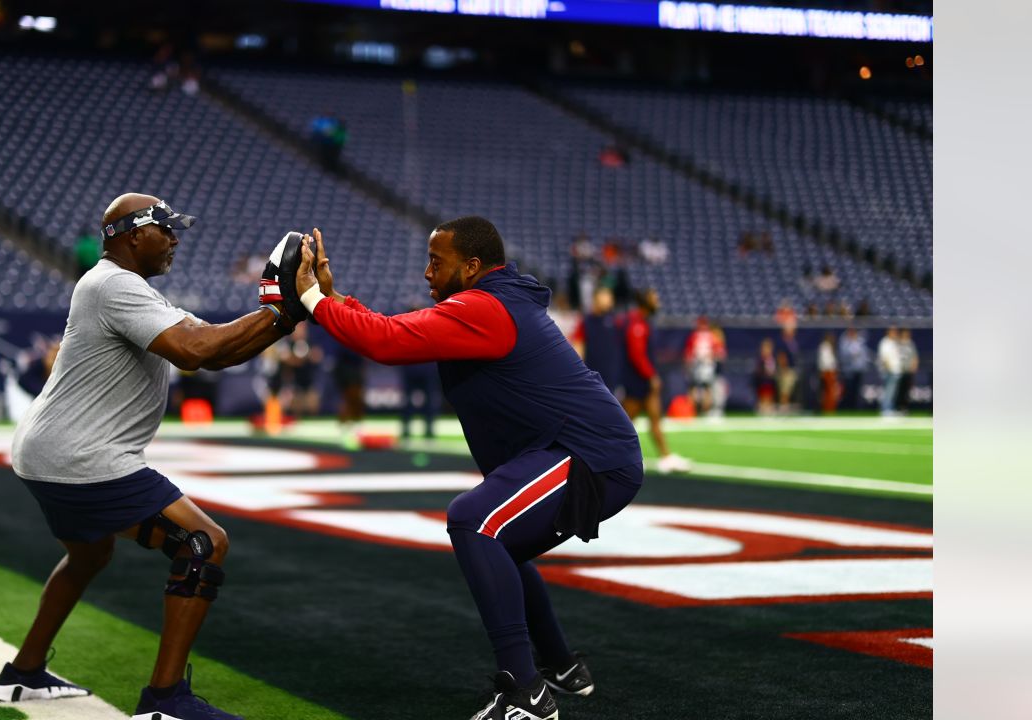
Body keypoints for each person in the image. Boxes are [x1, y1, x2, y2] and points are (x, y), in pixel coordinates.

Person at [292, 218, 643, 720]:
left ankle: (526, 694)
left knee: (476, 520)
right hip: (575, 449)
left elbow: (388, 341)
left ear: (472, 267)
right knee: (504, 545)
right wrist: (330, 296)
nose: (427, 272)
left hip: (588, 454)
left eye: (438, 261)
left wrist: (312, 299)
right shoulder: (488, 300)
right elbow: (395, 328)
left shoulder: (484, 306)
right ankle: (561, 668)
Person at [0, 193, 299, 720]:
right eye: (168, 230)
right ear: (133, 234)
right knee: (205, 542)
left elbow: (215, 349)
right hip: (81, 455)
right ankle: (164, 701)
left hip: (47, 451)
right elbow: (197, 351)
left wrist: (285, 317)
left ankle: (23, 673)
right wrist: (282, 307)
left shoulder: (125, 290)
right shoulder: (114, 285)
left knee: (90, 554)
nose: (176, 239)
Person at [621, 288, 691, 473]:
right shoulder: (636, 323)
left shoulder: (643, 322)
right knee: (624, 422)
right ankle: (605, 454)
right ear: (645, 300)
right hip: (637, 380)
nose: (657, 301)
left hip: (643, 379)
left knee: (654, 419)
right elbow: (637, 355)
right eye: (654, 298)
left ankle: (666, 456)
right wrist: (651, 375)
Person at [683, 316, 726, 417]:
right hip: (707, 364)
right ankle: (705, 411)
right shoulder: (711, 336)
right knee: (706, 389)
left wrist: (688, 364)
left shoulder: (694, 335)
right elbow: (720, 352)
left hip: (696, 363)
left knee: (693, 388)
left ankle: (693, 411)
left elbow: (688, 353)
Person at [838, 327, 870, 409]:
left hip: (859, 370)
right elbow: (843, 356)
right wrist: (852, 354)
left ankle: (854, 406)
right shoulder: (844, 341)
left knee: (856, 390)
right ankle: (848, 406)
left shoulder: (859, 341)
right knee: (849, 390)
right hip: (849, 370)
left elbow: (864, 354)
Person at [877, 327, 903, 417]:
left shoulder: (894, 342)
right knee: (888, 391)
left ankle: (890, 408)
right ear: (888, 332)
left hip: (895, 371)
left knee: (892, 392)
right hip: (889, 371)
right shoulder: (885, 342)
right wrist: (890, 369)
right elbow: (885, 358)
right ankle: (885, 409)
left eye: (895, 331)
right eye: (893, 331)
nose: (895, 333)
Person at [817, 332, 841, 414]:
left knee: (830, 391)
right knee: (829, 391)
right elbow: (826, 362)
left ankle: (829, 407)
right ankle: (828, 408)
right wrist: (832, 369)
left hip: (829, 371)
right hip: (828, 372)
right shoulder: (825, 347)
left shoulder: (828, 347)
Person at [896, 328, 919, 413]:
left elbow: (915, 357)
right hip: (899, 370)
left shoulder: (910, 343)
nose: (906, 335)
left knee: (907, 390)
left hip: (908, 371)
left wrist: (914, 367)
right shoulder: (897, 343)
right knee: (899, 390)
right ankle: (898, 407)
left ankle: (905, 407)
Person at [753, 338, 778, 415]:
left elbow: (773, 370)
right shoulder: (760, 360)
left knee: (769, 392)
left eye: (768, 348)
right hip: (762, 382)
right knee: (764, 391)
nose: (767, 350)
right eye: (765, 348)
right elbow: (758, 372)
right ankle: (762, 406)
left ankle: (768, 406)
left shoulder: (772, 359)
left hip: (770, 382)